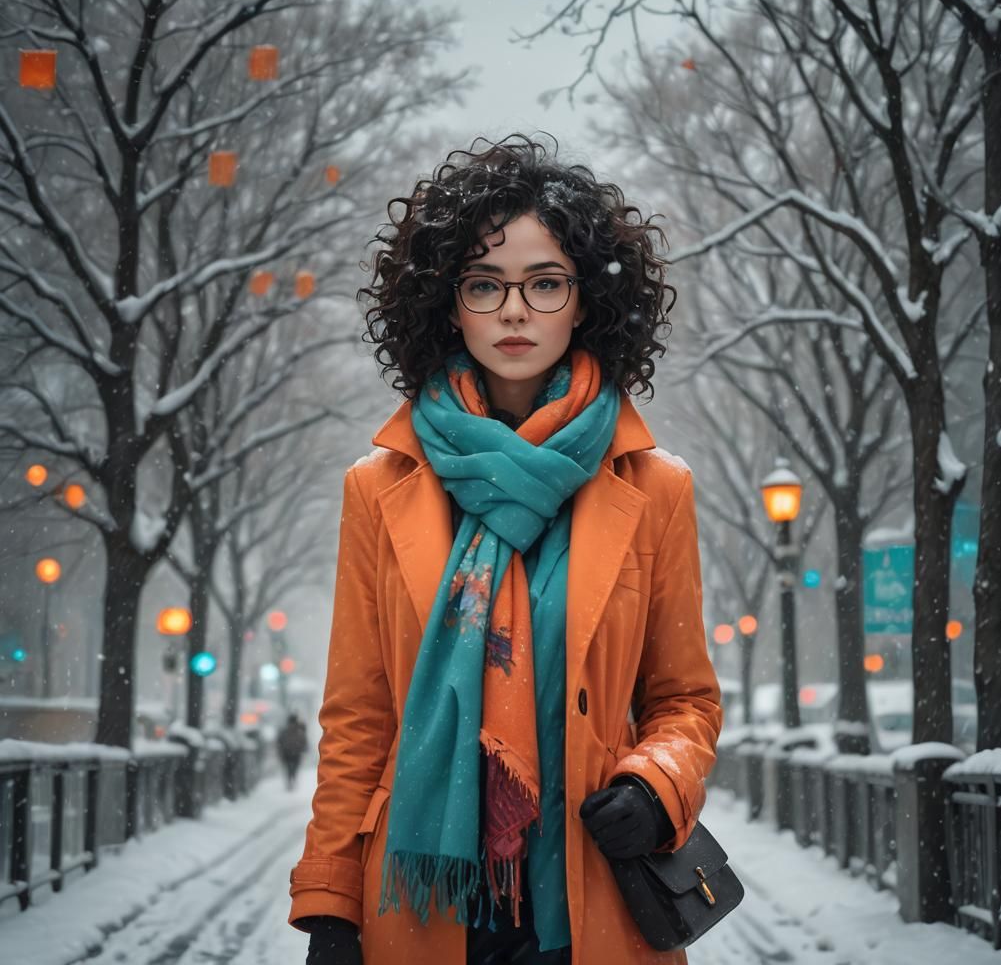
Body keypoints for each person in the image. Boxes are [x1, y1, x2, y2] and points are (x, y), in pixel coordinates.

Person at [288, 135, 722, 965]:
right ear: (447, 304)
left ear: (584, 300)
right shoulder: (380, 488)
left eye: (544, 283)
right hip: (422, 906)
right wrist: (330, 901)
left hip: (593, 898)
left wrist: (655, 782)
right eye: (484, 285)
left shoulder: (655, 488)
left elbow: (685, 701)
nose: (515, 311)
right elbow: (358, 719)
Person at [277, 712, 309, 791]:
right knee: (294, 768)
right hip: (296, 752)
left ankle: (290, 780)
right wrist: (304, 748)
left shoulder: (285, 730)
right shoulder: (299, 730)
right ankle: (292, 779)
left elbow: (280, 741)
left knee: (289, 768)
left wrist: (280, 750)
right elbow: (304, 740)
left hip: (287, 752)